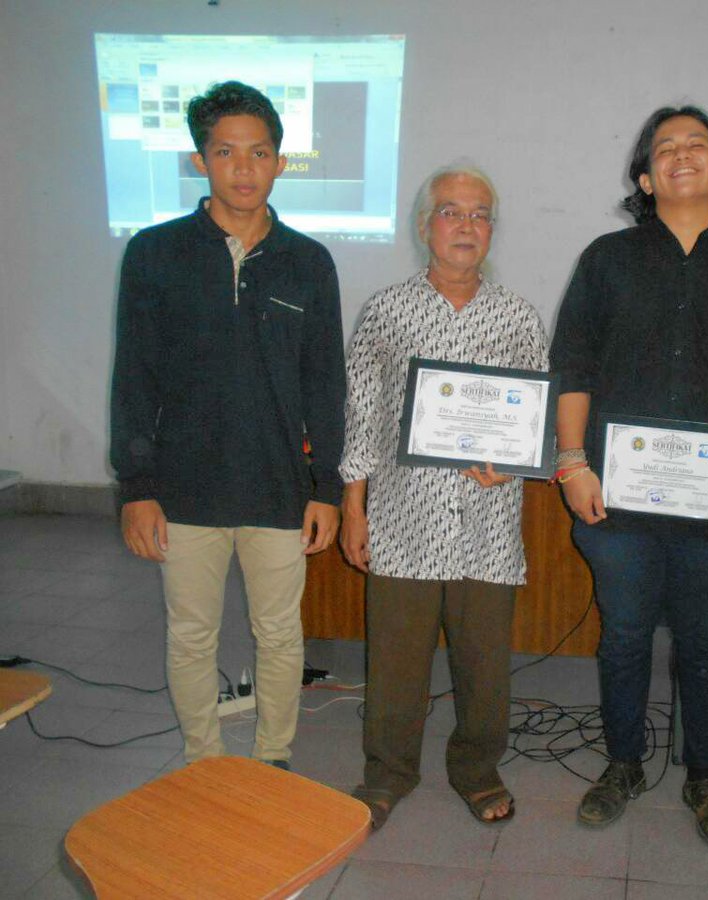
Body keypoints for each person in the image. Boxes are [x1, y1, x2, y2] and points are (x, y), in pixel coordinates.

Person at [550, 106, 708, 849]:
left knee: (702, 644)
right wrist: (570, 463)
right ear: (644, 175)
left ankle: (705, 777)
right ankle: (623, 763)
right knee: (622, 637)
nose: (682, 156)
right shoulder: (607, 259)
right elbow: (575, 367)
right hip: (615, 502)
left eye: (698, 146)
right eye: (665, 149)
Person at [110, 81, 346, 767]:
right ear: (200, 161)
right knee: (190, 635)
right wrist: (137, 486)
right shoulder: (155, 255)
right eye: (226, 152)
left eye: (260, 152)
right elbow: (134, 378)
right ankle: (203, 764)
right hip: (183, 490)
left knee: (279, 634)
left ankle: (274, 760)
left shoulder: (309, 263)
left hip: (277, 486)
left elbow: (324, 384)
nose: (244, 168)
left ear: (279, 161)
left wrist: (323, 485)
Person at [339, 164, 548, 830]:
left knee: (485, 664)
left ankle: (478, 770)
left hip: (487, 522)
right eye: (451, 212)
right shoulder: (387, 311)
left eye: (480, 213)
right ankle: (388, 772)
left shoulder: (517, 316)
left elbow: (534, 416)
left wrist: (511, 465)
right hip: (404, 518)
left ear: (492, 229)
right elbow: (363, 413)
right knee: (396, 662)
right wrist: (353, 508)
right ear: (425, 225)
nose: (466, 225)